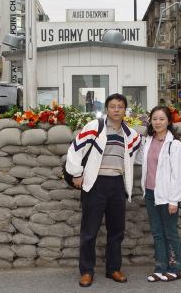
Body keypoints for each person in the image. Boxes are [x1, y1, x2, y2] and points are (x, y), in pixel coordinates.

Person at [65, 93, 141, 287]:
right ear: (107, 109)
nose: (116, 110)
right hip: (95, 184)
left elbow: (140, 156)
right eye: (113, 106)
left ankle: (113, 269)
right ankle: (86, 271)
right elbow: (75, 150)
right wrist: (76, 173)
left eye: (120, 107)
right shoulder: (94, 127)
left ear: (125, 110)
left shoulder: (131, 135)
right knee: (89, 231)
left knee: (116, 231)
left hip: (117, 185)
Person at [140, 106, 181, 282]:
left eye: (161, 119)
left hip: (168, 196)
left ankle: (175, 268)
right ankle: (160, 267)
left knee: (170, 232)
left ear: (168, 121)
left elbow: (180, 175)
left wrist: (174, 200)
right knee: (157, 233)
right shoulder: (148, 141)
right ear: (150, 121)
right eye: (154, 119)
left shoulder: (174, 145)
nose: (158, 122)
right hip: (151, 194)